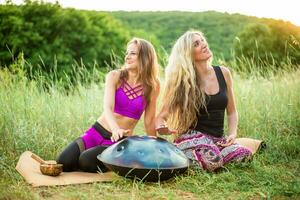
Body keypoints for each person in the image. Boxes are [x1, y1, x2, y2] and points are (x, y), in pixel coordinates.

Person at [57, 38, 160, 172]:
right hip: (96, 132)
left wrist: (156, 148)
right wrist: (115, 129)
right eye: (126, 53)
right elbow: (108, 108)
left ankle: (113, 161)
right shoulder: (115, 76)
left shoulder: (153, 85)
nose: (127, 57)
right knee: (63, 162)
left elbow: (150, 121)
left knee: (86, 161)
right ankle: (109, 162)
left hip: (119, 142)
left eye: (133, 53)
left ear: (145, 56)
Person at [155, 30, 252, 171]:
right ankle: (185, 154)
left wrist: (232, 134)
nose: (203, 44)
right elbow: (161, 117)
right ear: (188, 54)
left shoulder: (224, 73)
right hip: (192, 138)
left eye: (202, 40)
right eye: (196, 44)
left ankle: (206, 159)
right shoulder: (183, 82)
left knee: (244, 155)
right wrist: (162, 128)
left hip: (218, 140)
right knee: (212, 159)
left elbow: (232, 112)